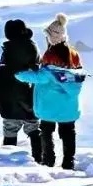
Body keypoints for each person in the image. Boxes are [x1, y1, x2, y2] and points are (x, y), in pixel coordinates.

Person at [15, 13, 86, 170]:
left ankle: (48, 160)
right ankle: (69, 161)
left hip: (49, 105)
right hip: (69, 105)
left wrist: (18, 74)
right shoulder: (73, 54)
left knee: (46, 132)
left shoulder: (50, 55)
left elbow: (42, 76)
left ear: (52, 38)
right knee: (68, 133)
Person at [0, 18, 41, 162]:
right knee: (33, 129)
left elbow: (3, 77)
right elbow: (36, 74)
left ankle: (8, 163)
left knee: (10, 129)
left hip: (6, 97)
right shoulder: (30, 47)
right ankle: (39, 160)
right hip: (26, 96)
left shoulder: (8, 50)